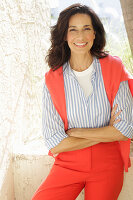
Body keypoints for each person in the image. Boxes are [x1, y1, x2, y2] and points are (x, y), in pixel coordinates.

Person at [32, 3, 133, 200]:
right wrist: (106, 131)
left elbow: (125, 129)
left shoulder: (114, 67)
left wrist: (77, 133)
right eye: (73, 30)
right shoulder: (52, 79)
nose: (81, 36)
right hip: (68, 165)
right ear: (64, 35)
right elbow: (56, 144)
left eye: (87, 28)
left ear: (95, 33)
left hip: (107, 164)